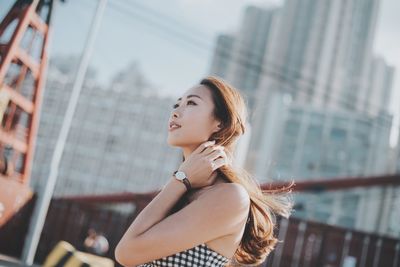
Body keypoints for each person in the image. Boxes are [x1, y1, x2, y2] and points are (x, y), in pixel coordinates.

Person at [115, 76, 294, 266]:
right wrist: (182, 180)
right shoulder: (185, 189)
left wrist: (180, 179)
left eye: (191, 103)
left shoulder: (229, 196)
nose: (176, 112)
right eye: (176, 104)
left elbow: (126, 253)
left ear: (221, 123)